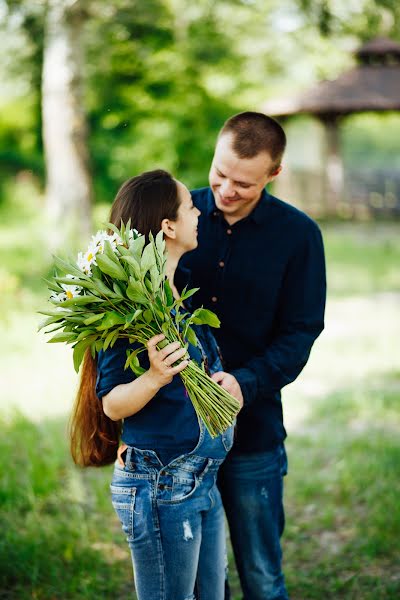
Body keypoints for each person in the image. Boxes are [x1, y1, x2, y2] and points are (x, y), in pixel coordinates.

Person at [177, 112, 326, 600]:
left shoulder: (299, 236)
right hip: (177, 435)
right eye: (219, 173)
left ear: (274, 174)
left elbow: (301, 332)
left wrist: (247, 382)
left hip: (254, 435)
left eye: (243, 183)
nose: (225, 190)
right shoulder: (175, 219)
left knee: (262, 577)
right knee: (202, 583)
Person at [70, 169, 238, 600]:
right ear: (168, 226)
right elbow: (111, 404)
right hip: (161, 487)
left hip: (201, 480)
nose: (199, 212)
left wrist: (218, 380)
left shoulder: (172, 294)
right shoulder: (126, 306)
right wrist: (153, 376)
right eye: (189, 207)